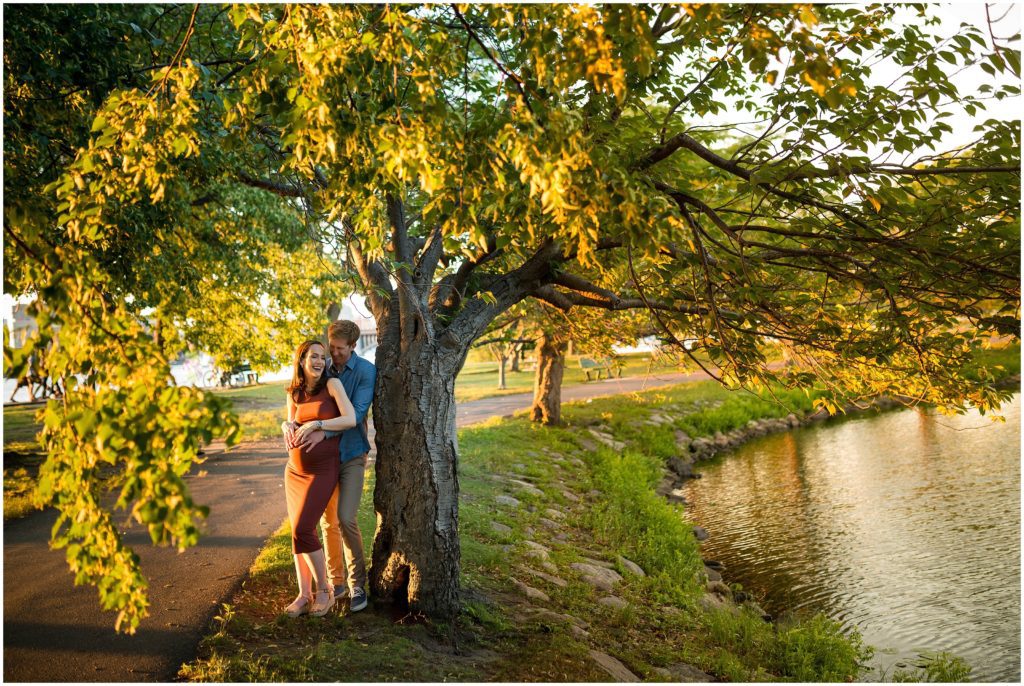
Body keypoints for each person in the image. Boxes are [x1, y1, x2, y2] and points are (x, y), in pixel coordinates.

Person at [298, 320, 376, 613]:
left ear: (353, 347)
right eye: (331, 347)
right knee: (327, 521)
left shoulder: (367, 372)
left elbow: (355, 415)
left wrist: (322, 429)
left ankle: (358, 584)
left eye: (340, 349)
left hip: (353, 454)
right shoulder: (324, 368)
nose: (334, 354)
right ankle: (336, 581)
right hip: (325, 458)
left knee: (346, 518)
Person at [280, 340, 356, 617]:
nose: (319, 361)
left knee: (303, 528)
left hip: (323, 470)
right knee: (296, 533)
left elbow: (350, 419)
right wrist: (286, 425)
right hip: (294, 471)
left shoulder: (332, 386)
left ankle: (324, 590)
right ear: (301, 360)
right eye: (313, 356)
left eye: (322, 357)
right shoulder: (294, 392)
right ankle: (304, 594)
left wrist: (318, 423)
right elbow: (291, 421)